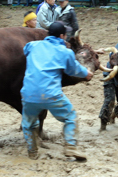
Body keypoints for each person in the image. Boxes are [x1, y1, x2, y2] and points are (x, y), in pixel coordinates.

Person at [20, 21, 93, 160]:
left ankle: (32, 151)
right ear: (62, 36)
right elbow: (73, 70)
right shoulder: (65, 52)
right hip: (51, 94)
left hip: (29, 93)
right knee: (70, 117)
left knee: (29, 124)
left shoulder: (33, 45)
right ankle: (71, 148)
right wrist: (86, 73)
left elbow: (26, 50)